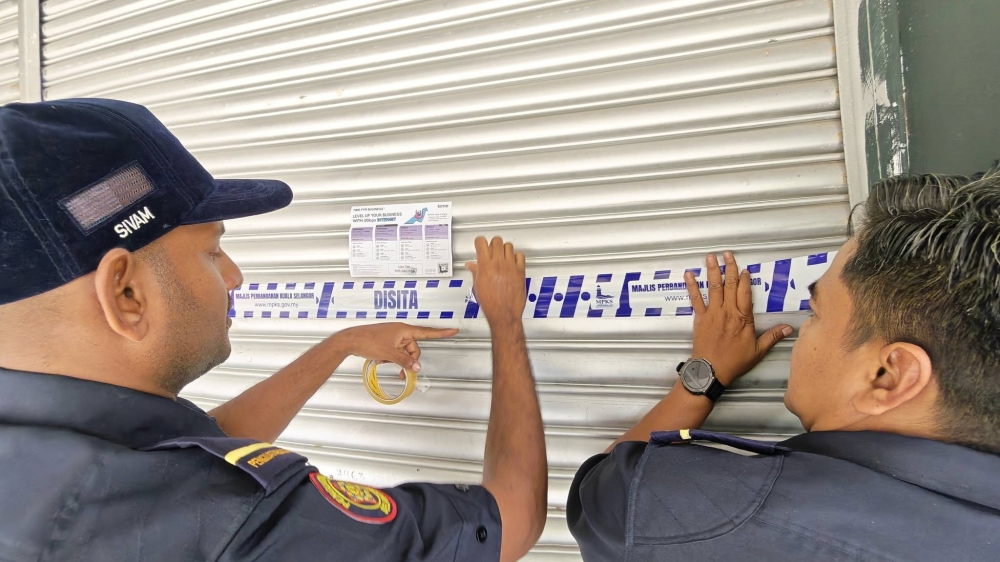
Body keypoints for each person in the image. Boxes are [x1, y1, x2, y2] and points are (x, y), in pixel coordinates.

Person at [0, 99, 547, 561]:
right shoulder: (241, 526)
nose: (234, 275)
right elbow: (511, 519)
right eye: (213, 252)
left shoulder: (63, 452)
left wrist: (340, 345)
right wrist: (505, 322)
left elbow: (200, 445)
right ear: (126, 293)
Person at [567, 172, 1000, 560]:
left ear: (886, 375)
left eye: (815, 313)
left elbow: (599, 500)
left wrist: (702, 376)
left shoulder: (729, 514)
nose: (802, 331)